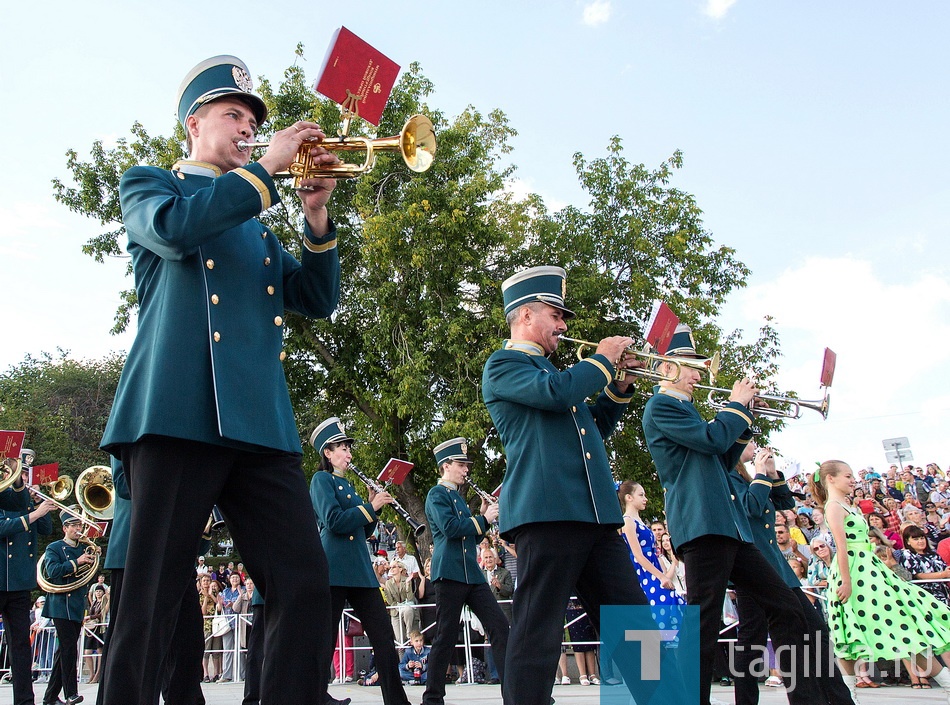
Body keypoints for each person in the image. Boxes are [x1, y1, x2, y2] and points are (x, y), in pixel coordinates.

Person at [98, 55, 342, 705]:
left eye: (252, 118)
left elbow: (314, 296)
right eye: (233, 114)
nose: (246, 127)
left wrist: (316, 216)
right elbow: (177, 233)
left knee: (303, 582)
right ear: (193, 126)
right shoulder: (154, 185)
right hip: (177, 415)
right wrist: (266, 173)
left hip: (259, 425)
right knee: (150, 599)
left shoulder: (256, 229)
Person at [481, 266, 650, 705]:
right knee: (537, 633)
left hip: (594, 516)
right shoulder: (505, 365)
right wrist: (602, 359)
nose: (562, 325)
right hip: (548, 514)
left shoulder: (558, 377)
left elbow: (590, 427)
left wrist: (620, 387)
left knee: (637, 625)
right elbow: (556, 393)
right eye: (555, 315)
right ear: (524, 316)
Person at [642, 323, 821, 705]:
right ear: (664, 368)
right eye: (690, 366)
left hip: (729, 527)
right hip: (702, 525)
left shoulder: (684, 409)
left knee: (789, 609)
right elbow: (711, 439)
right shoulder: (661, 405)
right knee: (703, 625)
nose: (697, 374)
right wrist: (736, 406)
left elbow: (719, 456)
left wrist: (744, 418)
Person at [809, 459, 950, 697]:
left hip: (871, 571)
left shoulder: (847, 505)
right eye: (847, 475)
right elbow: (841, 548)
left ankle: (946, 683)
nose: (852, 480)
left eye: (852, 475)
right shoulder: (833, 506)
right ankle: (849, 695)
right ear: (830, 478)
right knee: (850, 634)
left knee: (907, 624)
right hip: (855, 573)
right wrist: (846, 580)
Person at [728, 443, 853, 705]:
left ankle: (837, 698)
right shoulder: (727, 475)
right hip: (753, 568)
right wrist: (761, 474)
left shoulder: (747, 476)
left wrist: (772, 474)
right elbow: (750, 507)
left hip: (775, 567)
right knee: (754, 642)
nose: (755, 446)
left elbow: (784, 503)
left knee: (814, 632)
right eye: (748, 440)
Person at [309, 417, 411, 705]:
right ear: (328, 453)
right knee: (325, 640)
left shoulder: (351, 487)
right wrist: (370, 507)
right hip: (334, 569)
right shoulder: (321, 480)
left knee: (383, 637)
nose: (349, 454)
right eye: (342, 448)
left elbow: (363, 530)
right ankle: (316, 697)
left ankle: (396, 699)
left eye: (348, 449)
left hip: (361, 571)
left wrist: (372, 508)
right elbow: (334, 521)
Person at [422, 437, 510, 705]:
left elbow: (469, 538)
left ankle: (516, 692)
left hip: (471, 574)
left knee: (499, 626)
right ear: (446, 466)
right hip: (448, 573)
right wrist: (483, 519)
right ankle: (432, 698)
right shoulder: (437, 494)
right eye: (461, 464)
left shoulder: (458, 498)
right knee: (446, 636)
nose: (466, 469)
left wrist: (481, 520)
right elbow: (450, 529)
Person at [0, 475, 55, 705]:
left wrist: (37, 503)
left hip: (20, 583)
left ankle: (25, 701)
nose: (23, 481)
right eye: (20, 477)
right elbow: (4, 527)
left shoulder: (27, 503)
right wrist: (34, 513)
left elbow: (46, 528)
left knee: (21, 645)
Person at [42, 508, 95, 705]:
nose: (78, 529)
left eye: (80, 525)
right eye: (74, 526)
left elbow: (87, 571)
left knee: (63, 652)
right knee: (68, 649)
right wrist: (76, 562)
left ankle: (49, 698)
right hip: (60, 604)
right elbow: (53, 571)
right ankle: (70, 693)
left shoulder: (84, 547)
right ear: (65, 528)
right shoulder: (54, 548)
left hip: (75, 605)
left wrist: (88, 559)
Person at [618, 480, 687, 628]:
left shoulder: (638, 520)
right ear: (629, 497)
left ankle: (667, 646)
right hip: (643, 572)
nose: (645, 499)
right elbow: (638, 555)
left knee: (668, 608)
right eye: (641, 495)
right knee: (661, 607)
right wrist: (661, 576)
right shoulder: (627, 521)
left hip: (652, 568)